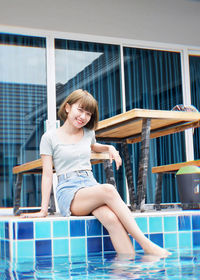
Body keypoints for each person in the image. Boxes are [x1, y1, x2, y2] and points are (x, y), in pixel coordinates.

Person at [21, 89, 170, 258]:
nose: (83, 116)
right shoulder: (49, 137)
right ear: (68, 108)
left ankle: (127, 269)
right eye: (80, 110)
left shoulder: (88, 133)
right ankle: (146, 244)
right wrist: (43, 210)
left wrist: (110, 147)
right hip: (69, 192)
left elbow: (93, 146)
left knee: (111, 219)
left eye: (88, 113)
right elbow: (47, 175)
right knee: (108, 189)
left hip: (89, 185)